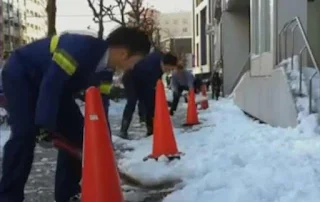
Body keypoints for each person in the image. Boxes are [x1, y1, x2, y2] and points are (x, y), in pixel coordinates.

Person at [0, 26, 151, 202]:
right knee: (25, 133)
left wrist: (104, 147)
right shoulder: (79, 48)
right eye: (136, 61)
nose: (133, 67)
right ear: (125, 53)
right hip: (22, 76)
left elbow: (100, 110)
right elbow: (52, 84)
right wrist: (44, 125)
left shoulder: (105, 71)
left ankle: (68, 194)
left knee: (79, 137)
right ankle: (8, 196)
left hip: (54, 89)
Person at [119, 69, 146, 139]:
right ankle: (124, 128)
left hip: (141, 78)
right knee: (131, 101)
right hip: (129, 77)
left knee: (143, 99)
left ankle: (143, 119)